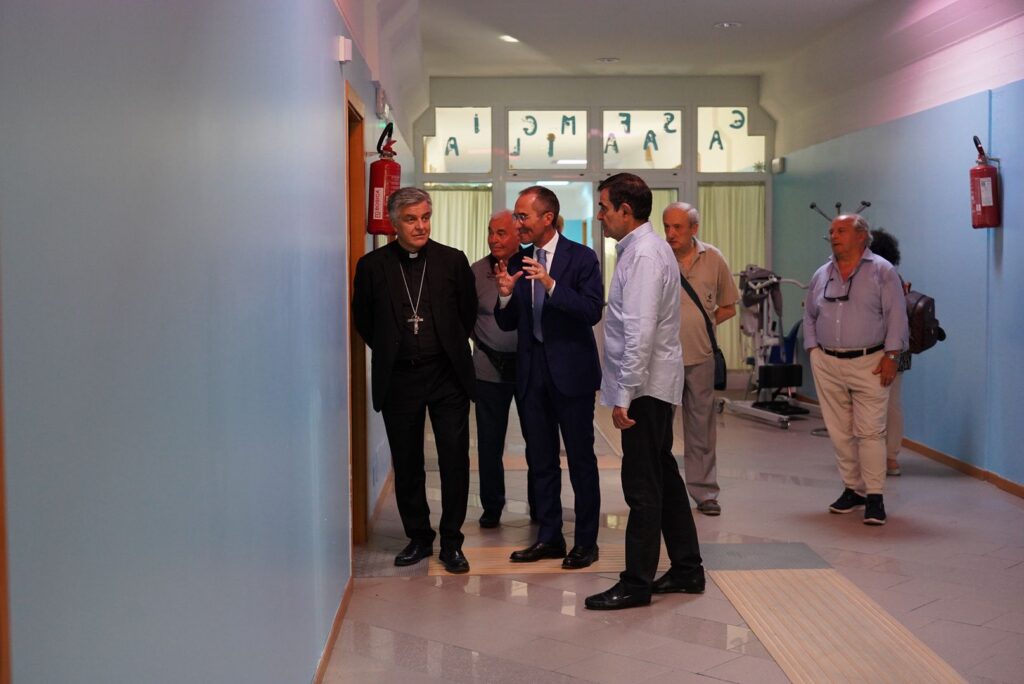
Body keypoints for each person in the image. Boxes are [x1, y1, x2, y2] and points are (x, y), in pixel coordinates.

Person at [586, 173, 704, 611]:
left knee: (642, 487)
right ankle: (687, 569)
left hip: (645, 389)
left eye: (604, 207)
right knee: (664, 478)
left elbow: (640, 330)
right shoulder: (642, 251)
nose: (600, 215)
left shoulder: (645, 256)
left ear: (625, 210)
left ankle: (636, 583)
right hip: (651, 384)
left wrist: (625, 394)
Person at [352, 187, 477, 573]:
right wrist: (395, 348)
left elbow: (467, 313)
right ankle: (419, 537)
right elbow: (364, 320)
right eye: (411, 219)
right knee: (407, 462)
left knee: (454, 458)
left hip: (446, 375)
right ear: (394, 223)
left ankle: (452, 542)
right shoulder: (373, 266)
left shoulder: (452, 260)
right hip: (400, 378)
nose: (421, 226)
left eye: (425, 217)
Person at [494, 185, 604, 569]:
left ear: (547, 218)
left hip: (572, 374)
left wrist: (550, 284)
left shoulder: (582, 258)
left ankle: (586, 543)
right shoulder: (517, 260)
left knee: (580, 461)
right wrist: (505, 295)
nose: (517, 223)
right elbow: (508, 322)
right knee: (540, 461)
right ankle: (550, 537)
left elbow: (591, 310)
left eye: (522, 216)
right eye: (516, 216)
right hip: (532, 374)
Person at [804, 214, 908, 526]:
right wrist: (812, 349)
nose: (834, 236)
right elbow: (809, 314)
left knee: (871, 431)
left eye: (841, 230)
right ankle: (853, 489)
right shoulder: (821, 274)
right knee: (839, 431)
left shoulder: (882, 271)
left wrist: (892, 356)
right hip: (827, 361)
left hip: (870, 362)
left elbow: (897, 316)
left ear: (862, 236)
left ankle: (875, 496)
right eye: (831, 231)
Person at [663, 202, 739, 516]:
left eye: (677, 227)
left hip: (700, 356)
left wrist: (702, 323)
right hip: (663, 359)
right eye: (667, 227)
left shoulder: (714, 258)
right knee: (659, 430)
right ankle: (661, 490)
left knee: (701, 428)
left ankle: (705, 492)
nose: (670, 234)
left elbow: (728, 306)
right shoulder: (658, 258)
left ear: (694, 229)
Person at [471, 210, 535, 527]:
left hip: (528, 369)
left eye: (501, 233)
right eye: (490, 232)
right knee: (489, 443)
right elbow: (465, 318)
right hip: (487, 369)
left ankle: (540, 505)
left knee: (537, 440)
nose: (493, 239)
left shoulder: (531, 267)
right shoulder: (475, 272)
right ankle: (492, 507)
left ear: (517, 235)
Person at [869, 228, 911, 476]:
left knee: (876, 405)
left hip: (884, 348)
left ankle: (881, 456)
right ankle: (891, 457)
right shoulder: (894, 274)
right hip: (900, 348)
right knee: (893, 403)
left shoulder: (879, 276)